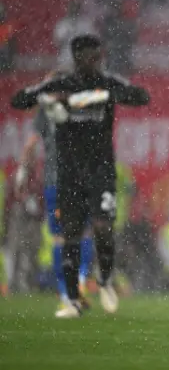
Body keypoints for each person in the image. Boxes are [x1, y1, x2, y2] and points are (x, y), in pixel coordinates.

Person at [10, 34, 150, 318]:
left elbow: (142, 96)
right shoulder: (60, 84)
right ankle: (73, 299)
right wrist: (44, 98)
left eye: (99, 56)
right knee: (70, 234)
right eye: (91, 57)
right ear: (77, 58)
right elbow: (19, 99)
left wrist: (94, 97)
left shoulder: (108, 82)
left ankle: (106, 280)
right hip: (69, 175)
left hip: (101, 172)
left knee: (103, 228)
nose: (97, 62)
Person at [15, 70, 94, 312]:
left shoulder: (46, 111)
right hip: (81, 182)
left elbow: (30, 146)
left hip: (57, 182)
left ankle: (66, 293)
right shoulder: (82, 107)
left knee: (61, 237)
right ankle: (79, 281)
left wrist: (21, 173)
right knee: (85, 233)